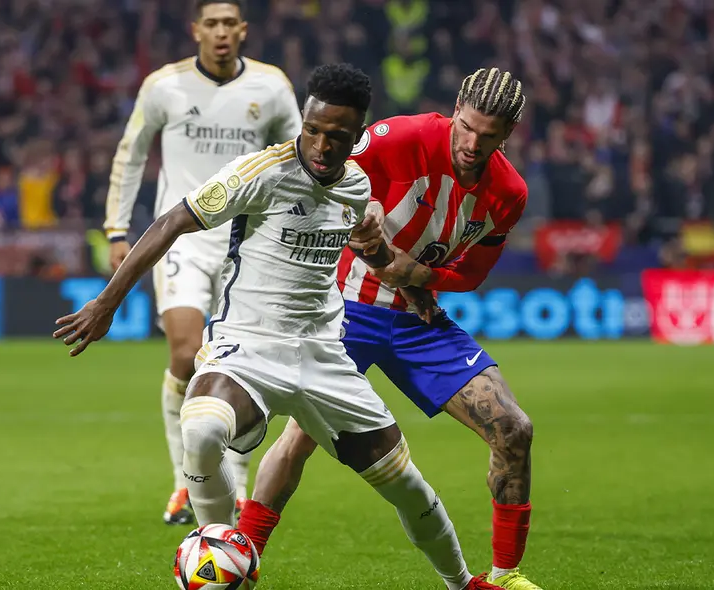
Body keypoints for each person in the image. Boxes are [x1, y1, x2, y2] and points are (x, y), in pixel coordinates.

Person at [56, 63, 492, 590]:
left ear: (356, 136)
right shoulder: (259, 172)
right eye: (312, 130)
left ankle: (464, 583)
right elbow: (172, 221)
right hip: (250, 346)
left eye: (337, 136)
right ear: (303, 120)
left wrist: (415, 288)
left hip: (326, 355)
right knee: (201, 429)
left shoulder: (357, 185)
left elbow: (370, 248)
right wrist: (107, 303)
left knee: (407, 485)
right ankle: (219, 562)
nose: (321, 145)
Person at [237, 68, 545, 590]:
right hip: (345, 311)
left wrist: (415, 276)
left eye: (488, 136)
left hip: (419, 321)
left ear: (508, 135)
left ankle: (506, 576)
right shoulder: (402, 137)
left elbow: (472, 274)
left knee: (514, 429)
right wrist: (365, 218)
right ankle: (241, 563)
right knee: (301, 438)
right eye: (466, 127)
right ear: (455, 107)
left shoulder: (509, 192)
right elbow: (327, 177)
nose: (472, 144)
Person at [103, 0, 303, 525]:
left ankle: (233, 484)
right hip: (182, 239)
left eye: (228, 25)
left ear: (243, 31)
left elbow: (303, 159)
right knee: (188, 353)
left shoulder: (272, 88)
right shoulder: (164, 86)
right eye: (210, 24)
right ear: (196, 31)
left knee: (235, 362)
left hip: (247, 243)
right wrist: (117, 230)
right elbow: (131, 154)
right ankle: (183, 483)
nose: (219, 33)